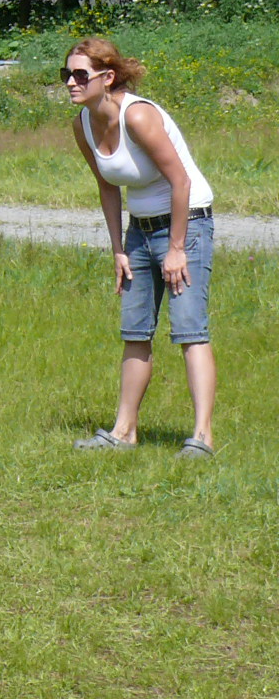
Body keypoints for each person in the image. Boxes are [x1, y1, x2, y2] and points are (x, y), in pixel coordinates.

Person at [65, 38, 216, 459]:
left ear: (107, 77)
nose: (71, 83)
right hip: (140, 230)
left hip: (187, 222)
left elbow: (181, 181)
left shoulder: (138, 115)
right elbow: (107, 187)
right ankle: (124, 432)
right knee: (134, 331)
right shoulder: (82, 124)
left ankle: (202, 438)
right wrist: (118, 248)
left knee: (190, 330)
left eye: (80, 75)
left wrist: (177, 248)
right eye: (67, 75)